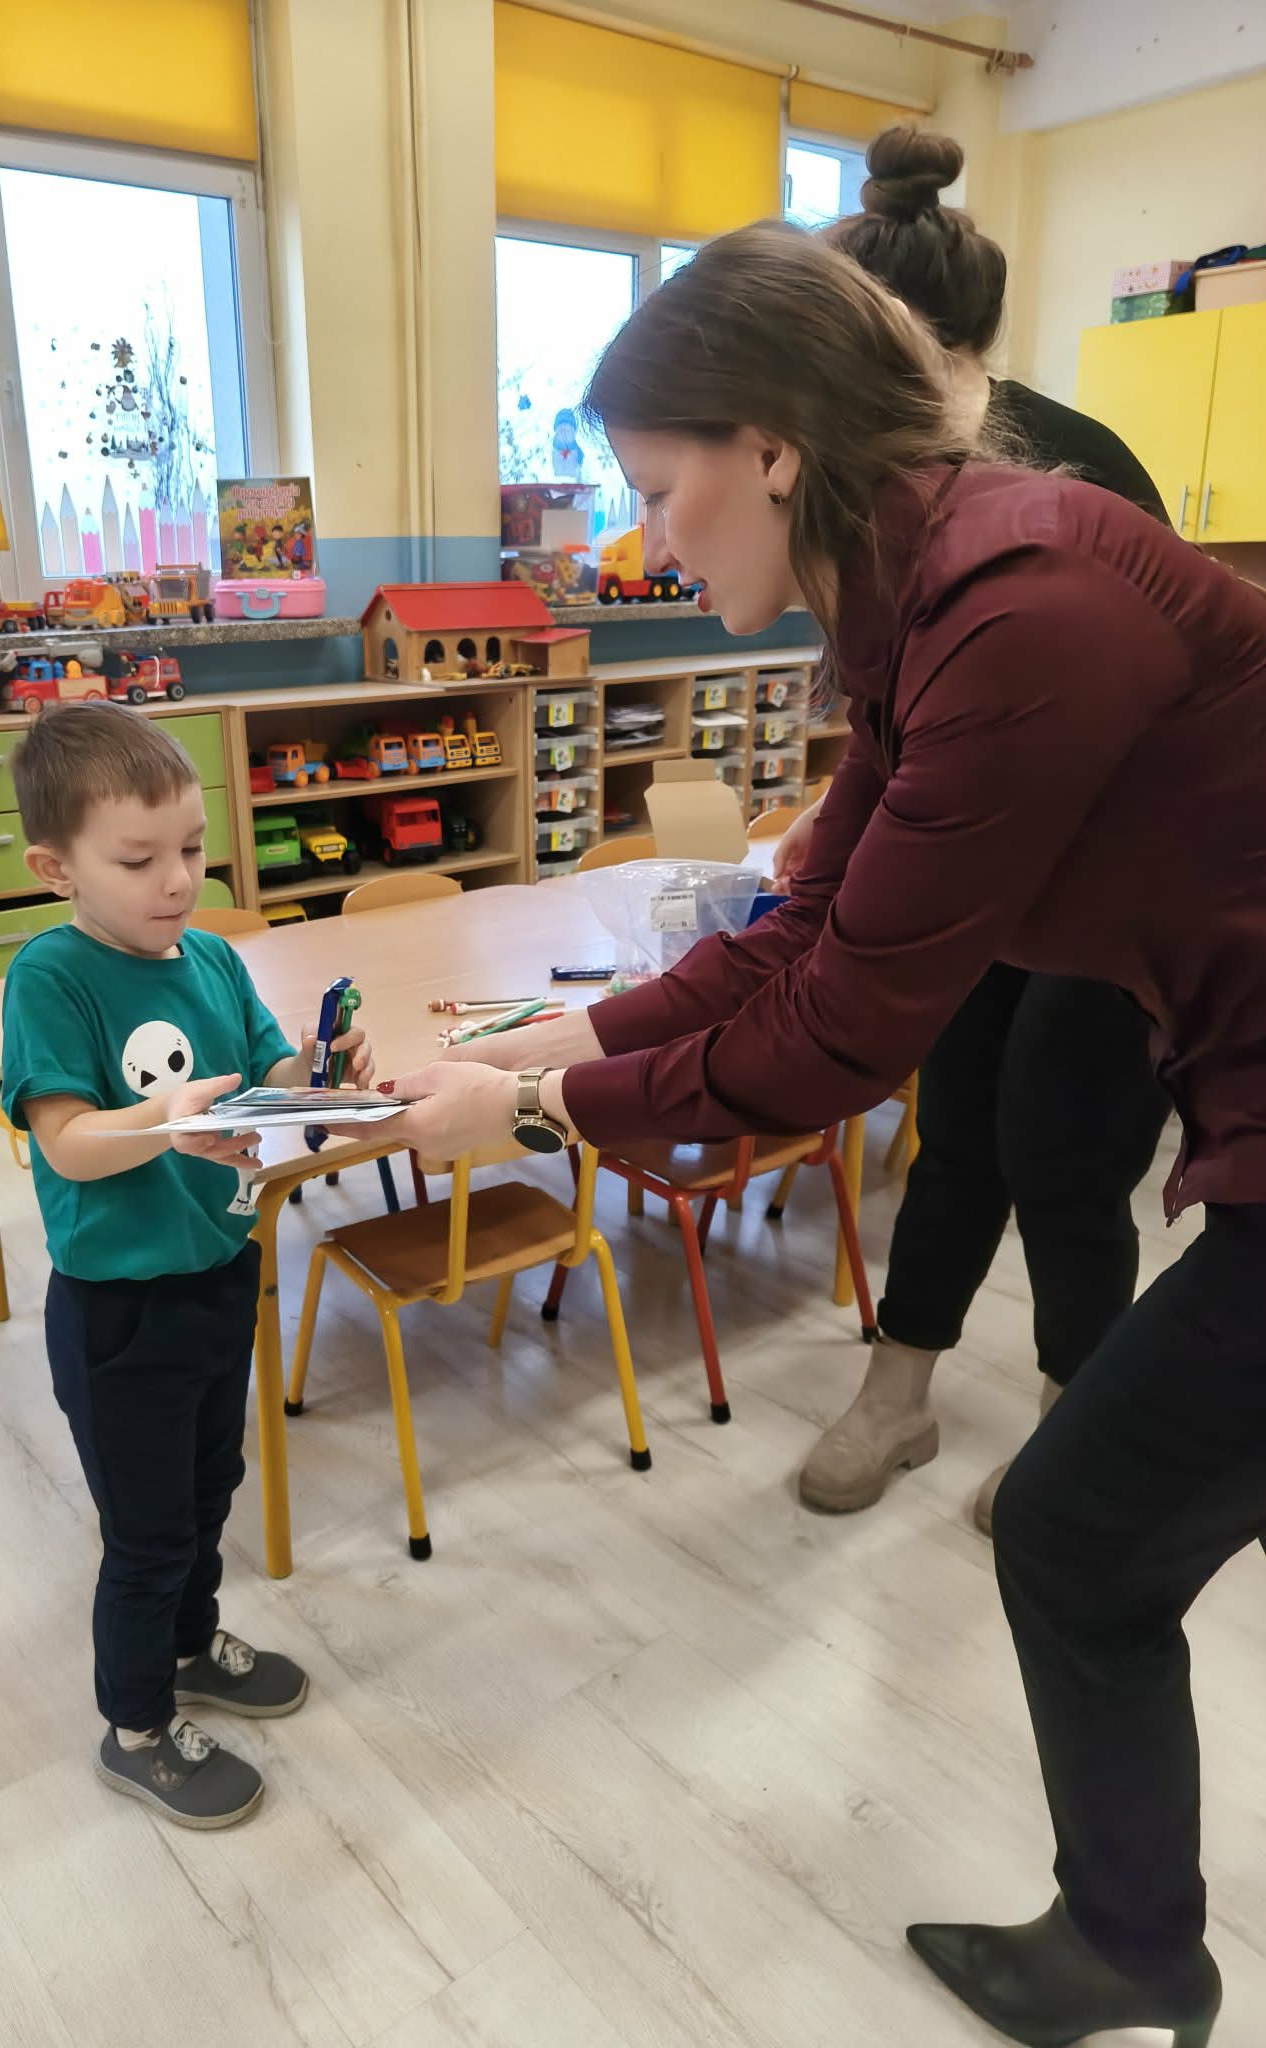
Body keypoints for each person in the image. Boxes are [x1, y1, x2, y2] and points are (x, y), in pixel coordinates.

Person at [380, 222, 1266, 2046]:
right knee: (1101, 1532)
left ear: (773, 444)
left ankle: (1131, 1950)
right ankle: (1133, 1941)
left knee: (1078, 1532)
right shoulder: (919, 605)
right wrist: (572, 1032)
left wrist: (534, 1110)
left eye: (660, 488)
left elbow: (846, 1034)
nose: (646, 537)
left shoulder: (1020, 611)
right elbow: (802, 918)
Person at [778, 126, 1173, 1528]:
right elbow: (903, 701)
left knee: (1066, 1153)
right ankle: (899, 1393)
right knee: (956, 1130)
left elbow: (1114, 727)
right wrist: (838, 820)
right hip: (988, 867)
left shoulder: (1075, 469)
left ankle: (1080, 1432)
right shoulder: (871, 476)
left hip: (1125, 881)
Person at [0, 701, 373, 1828]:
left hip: (219, 1273)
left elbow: (268, 1077)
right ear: (54, 867)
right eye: (138, 859)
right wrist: (164, 1120)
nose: (177, 880)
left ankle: (189, 1646)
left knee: (210, 1492)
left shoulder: (210, 956)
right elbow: (67, 1141)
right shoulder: (51, 978)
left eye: (193, 848)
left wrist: (321, 1067)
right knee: (147, 1534)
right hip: (118, 1312)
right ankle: (136, 1728)